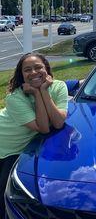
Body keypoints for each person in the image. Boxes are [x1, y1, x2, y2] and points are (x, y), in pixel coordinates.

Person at [0, 52, 68, 218]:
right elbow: (43, 128)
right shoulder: (15, 97)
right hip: (5, 145)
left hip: (22, 146)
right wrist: (38, 94)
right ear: (21, 75)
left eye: (38, 67)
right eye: (27, 70)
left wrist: (43, 90)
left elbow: (58, 122)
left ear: (46, 69)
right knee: (5, 195)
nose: (33, 72)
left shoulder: (58, 87)